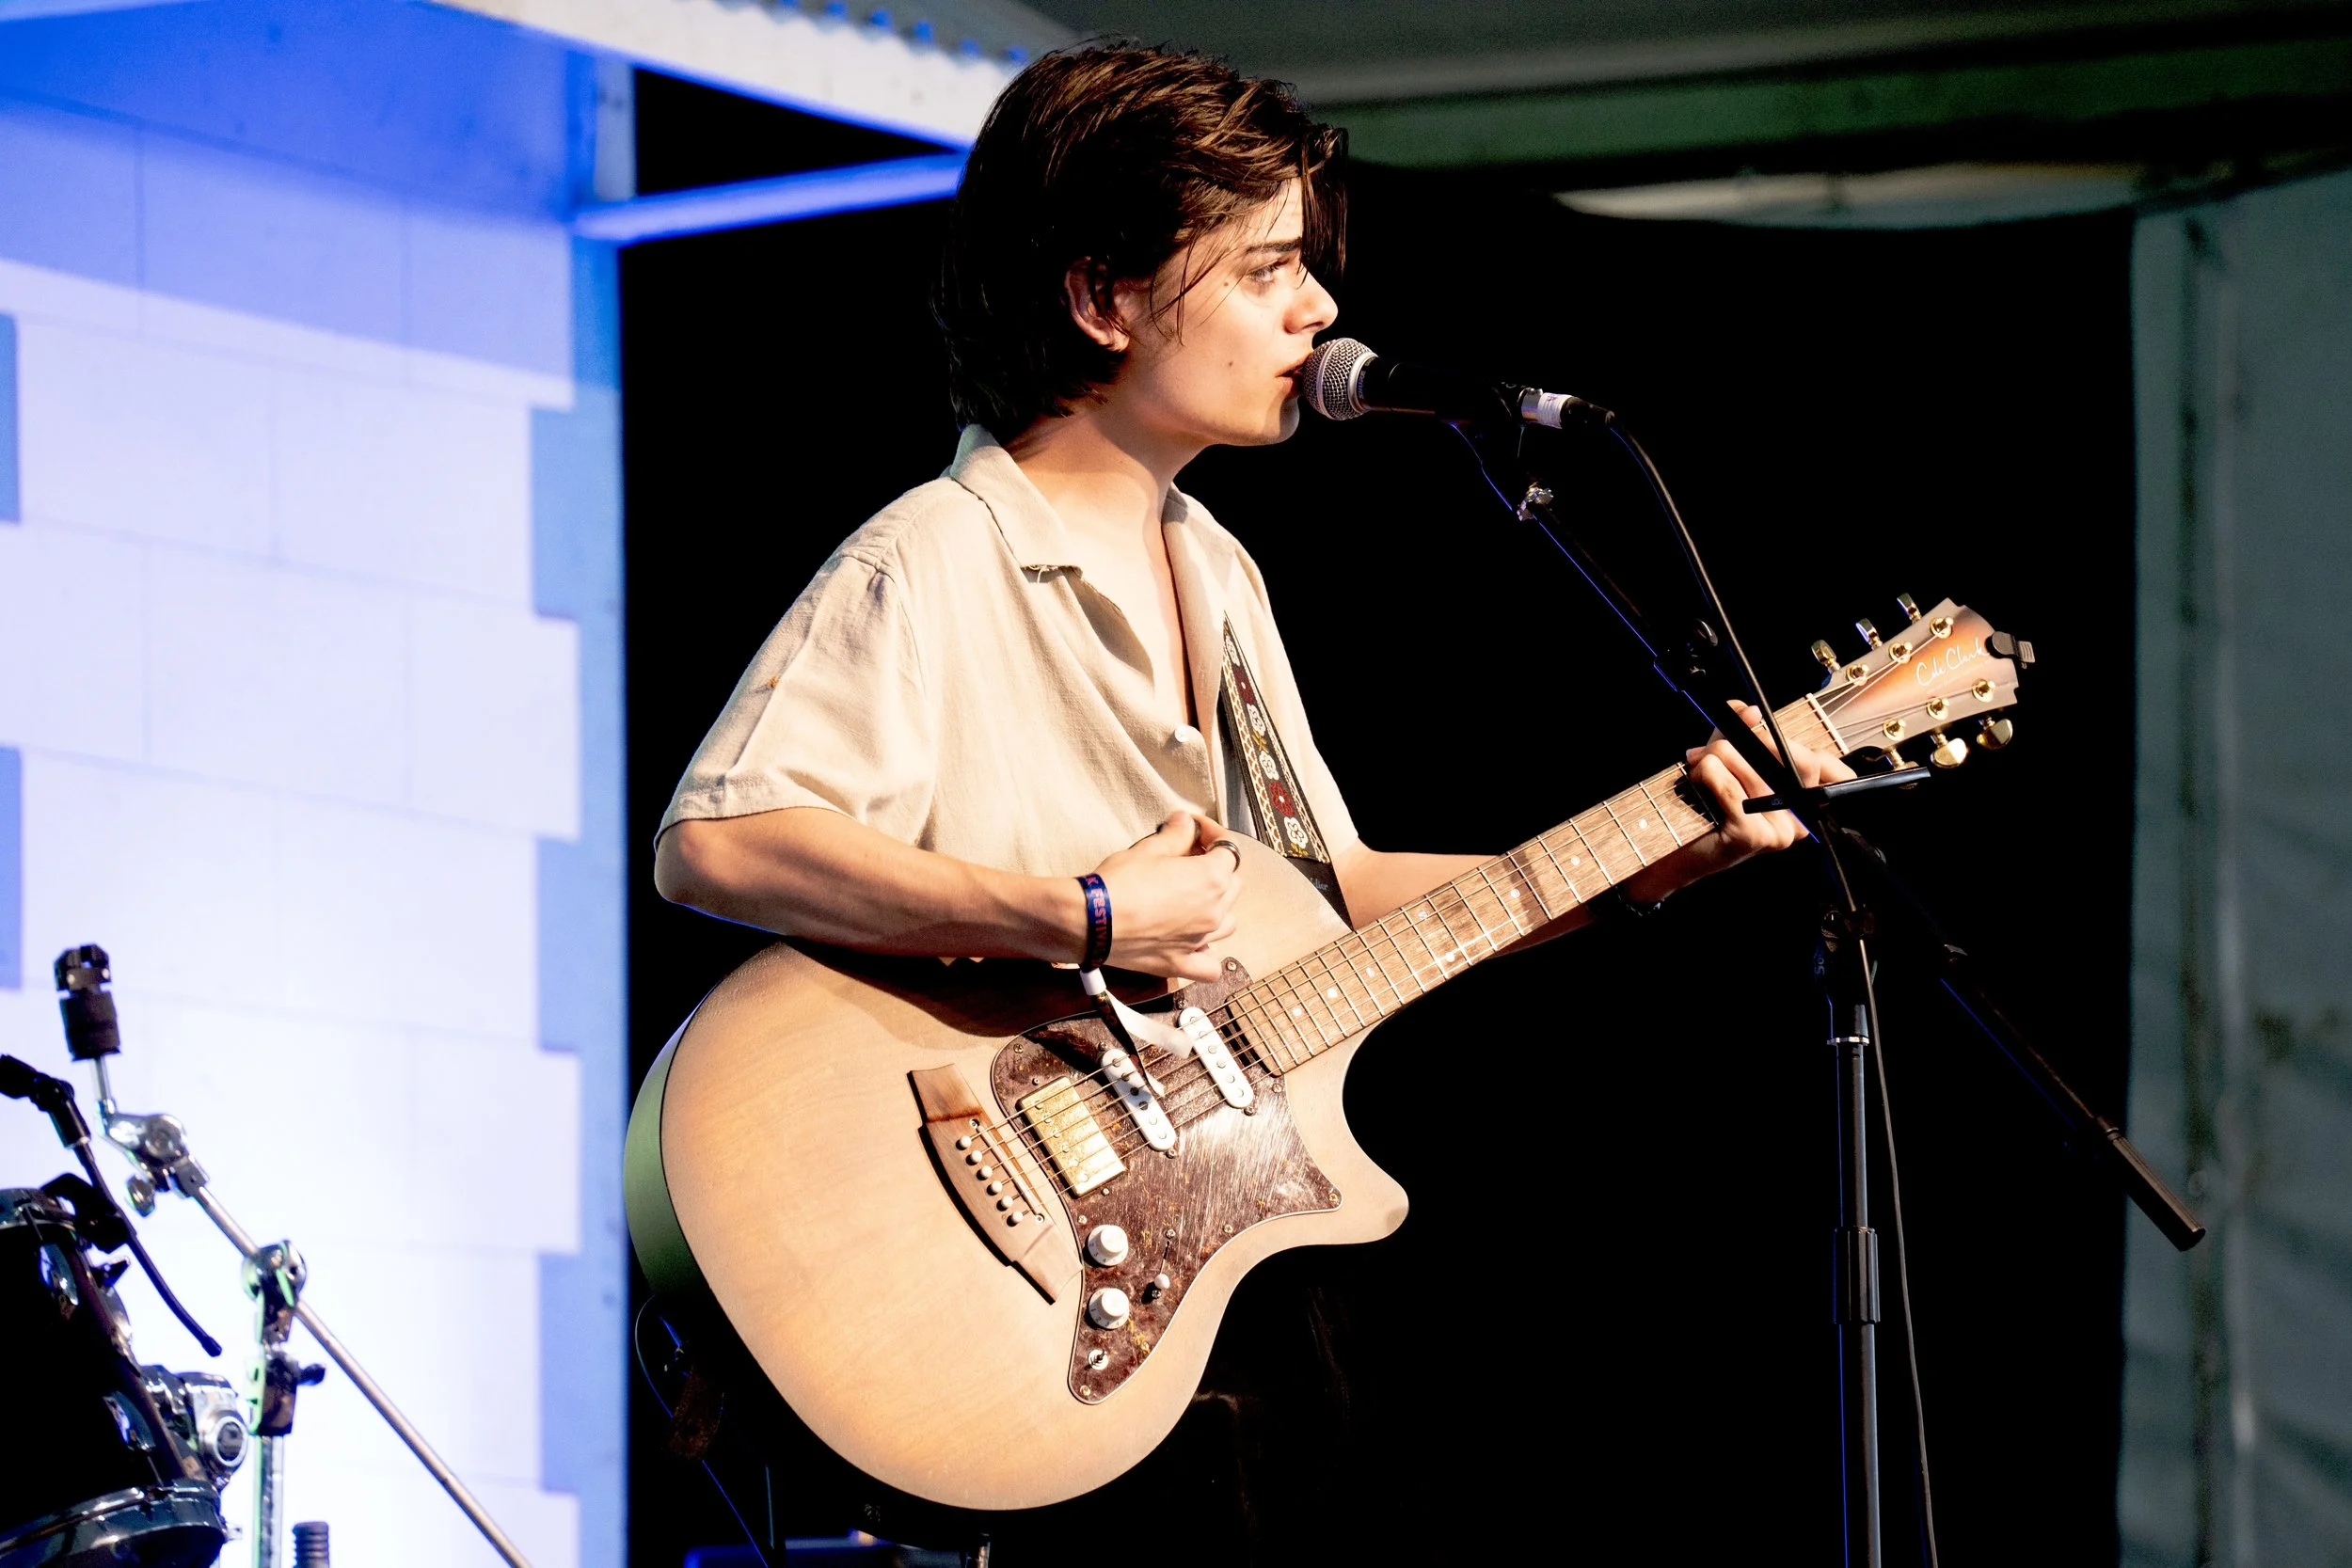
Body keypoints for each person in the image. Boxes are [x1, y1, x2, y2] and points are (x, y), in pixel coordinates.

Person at [652, 41, 1851, 1560]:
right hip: (1028, 1261)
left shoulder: (1215, 566)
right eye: (1267, 268)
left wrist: (1654, 856)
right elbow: (720, 841)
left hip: (1209, 1286)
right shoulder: (934, 555)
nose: (1319, 308)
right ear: (1103, 299)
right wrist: (1081, 913)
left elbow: (1325, 898)